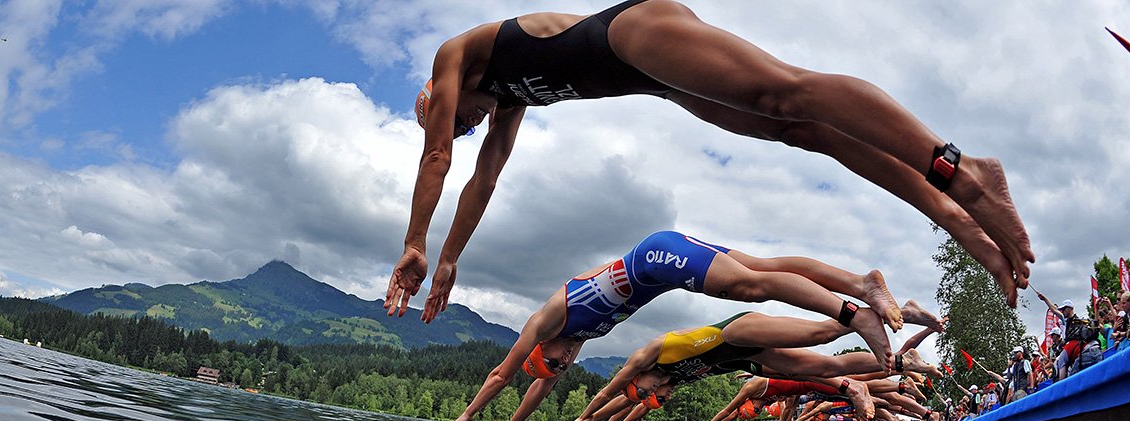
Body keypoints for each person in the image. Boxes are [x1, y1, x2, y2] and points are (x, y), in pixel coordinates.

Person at [385, 0, 1036, 323]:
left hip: (635, 33)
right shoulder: (505, 102)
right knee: (803, 131)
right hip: (655, 79)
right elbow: (482, 179)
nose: (462, 125)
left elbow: (438, 156)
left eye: (451, 114)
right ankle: (952, 214)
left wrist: (414, 240)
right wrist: (447, 259)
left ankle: (961, 169)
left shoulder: (455, 56)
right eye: (463, 123)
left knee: (785, 90)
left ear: (432, 96)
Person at [441, 231, 927, 421]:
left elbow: (506, 373)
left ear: (540, 350)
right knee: (763, 268)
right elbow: (539, 386)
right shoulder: (578, 338)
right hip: (669, 270)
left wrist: (466, 415)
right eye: (562, 366)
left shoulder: (548, 321)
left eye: (555, 361)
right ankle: (865, 290)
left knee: (749, 285)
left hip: (658, 258)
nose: (565, 361)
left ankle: (851, 311)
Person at [557, 310, 946, 421]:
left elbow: (608, 393)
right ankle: (899, 362)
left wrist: (585, 417)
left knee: (824, 332)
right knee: (830, 364)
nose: (652, 396)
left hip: (738, 333)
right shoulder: (672, 381)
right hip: (749, 360)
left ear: (636, 378)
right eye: (652, 398)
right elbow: (633, 409)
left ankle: (903, 313)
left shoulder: (647, 356)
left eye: (644, 392)